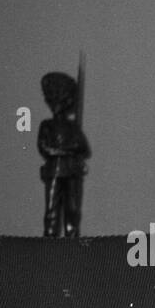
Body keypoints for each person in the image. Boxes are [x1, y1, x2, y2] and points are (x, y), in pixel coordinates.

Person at [38, 72, 90, 239]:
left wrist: (71, 148)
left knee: (72, 211)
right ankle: (49, 239)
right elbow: (45, 148)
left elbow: (83, 147)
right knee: (52, 210)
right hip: (54, 171)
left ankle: (72, 241)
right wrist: (68, 150)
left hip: (71, 173)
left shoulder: (72, 127)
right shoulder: (46, 125)